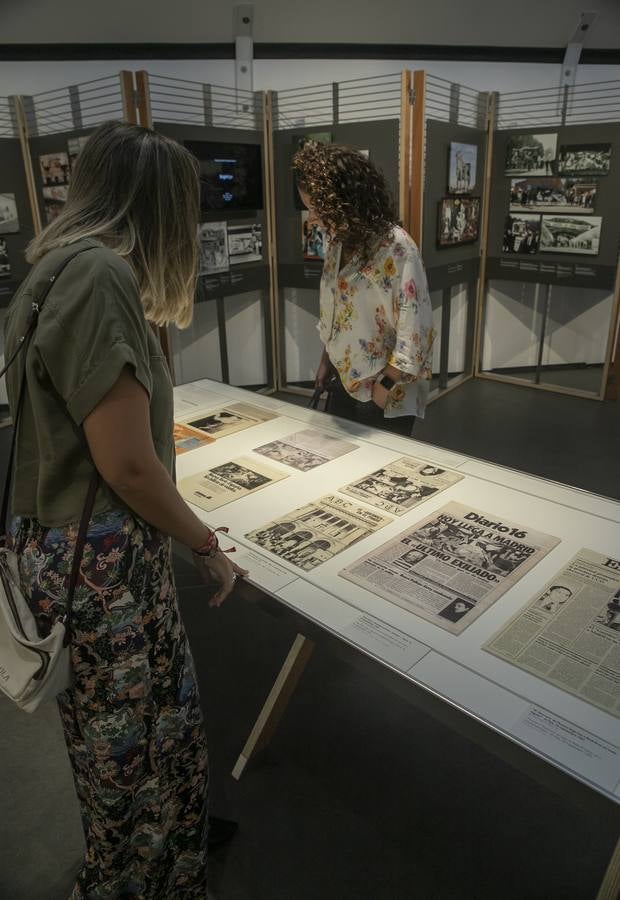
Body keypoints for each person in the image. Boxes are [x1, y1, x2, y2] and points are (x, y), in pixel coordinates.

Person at [3, 120, 248, 898]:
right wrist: (205, 539)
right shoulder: (102, 276)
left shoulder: (50, 269)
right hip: (103, 570)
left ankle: (155, 866)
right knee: (138, 749)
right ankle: (144, 880)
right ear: (162, 208)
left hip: (64, 552)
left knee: (126, 745)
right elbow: (129, 463)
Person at [293, 143, 434, 437]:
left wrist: (385, 387)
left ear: (345, 201)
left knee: (380, 477)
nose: (313, 219)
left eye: (317, 209)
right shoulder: (337, 244)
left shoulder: (397, 248)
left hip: (384, 389)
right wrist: (326, 361)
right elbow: (338, 310)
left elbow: (416, 332)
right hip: (344, 380)